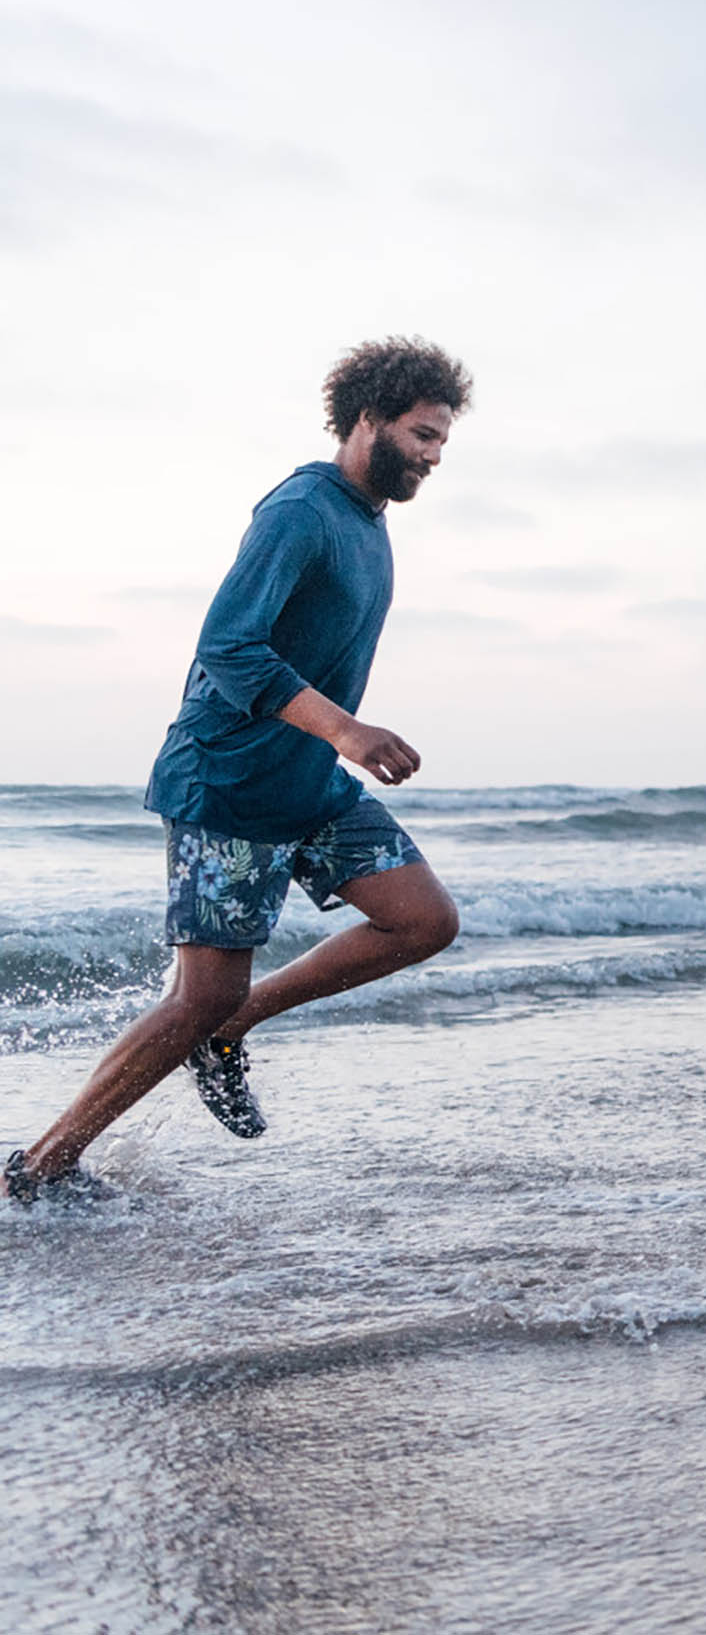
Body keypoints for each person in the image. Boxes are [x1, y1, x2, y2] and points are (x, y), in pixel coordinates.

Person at [7, 338, 472, 1205]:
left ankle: (234, 1026)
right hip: (228, 784)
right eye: (422, 435)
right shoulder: (300, 511)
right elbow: (227, 647)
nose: (434, 456)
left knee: (424, 920)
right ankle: (39, 1167)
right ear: (368, 417)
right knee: (196, 997)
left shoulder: (369, 525)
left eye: (442, 441)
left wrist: (330, 744)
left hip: (306, 784)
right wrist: (346, 732)